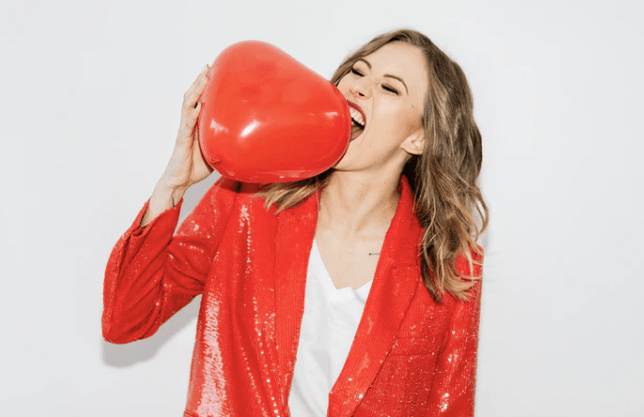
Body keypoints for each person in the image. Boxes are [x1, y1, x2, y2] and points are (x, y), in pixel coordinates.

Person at [102, 28, 489, 417]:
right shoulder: (247, 198)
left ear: (419, 137)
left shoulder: (450, 267)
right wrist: (173, 185)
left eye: (390, 89)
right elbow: (125, 320)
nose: (359, 88)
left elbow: (451, 408)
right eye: (357, 71)